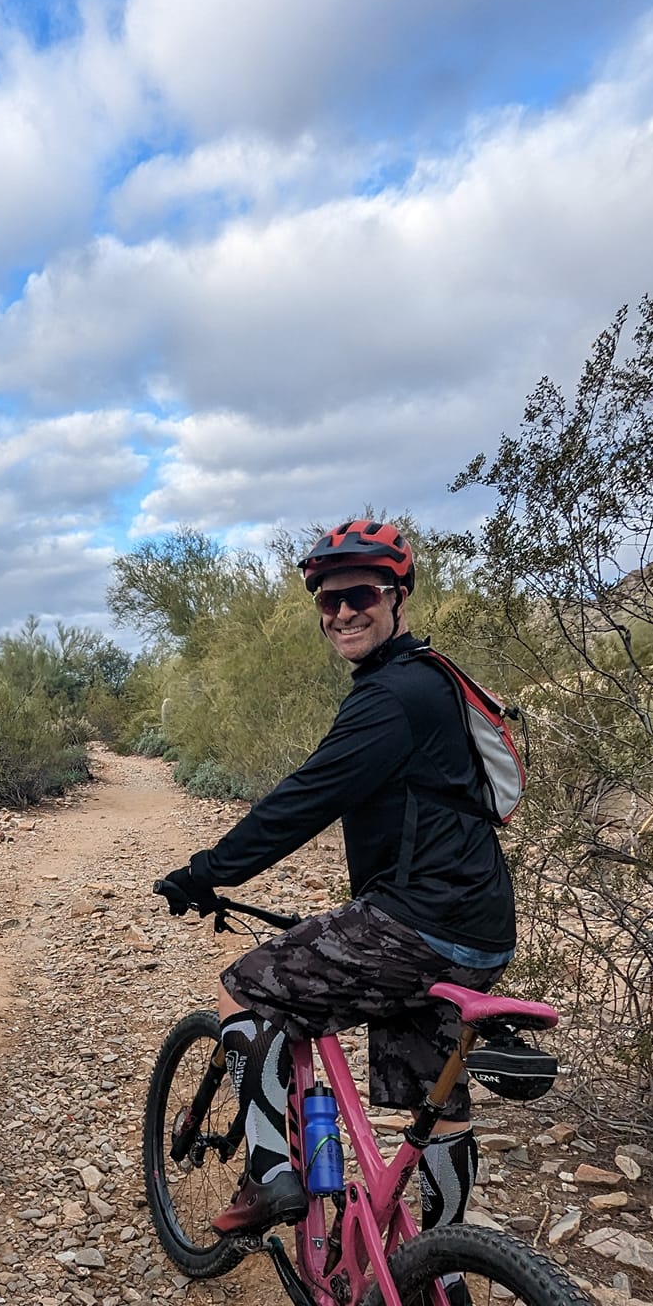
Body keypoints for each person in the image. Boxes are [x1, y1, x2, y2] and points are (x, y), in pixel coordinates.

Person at [156, 518, 515, 1245]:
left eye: (361, 595)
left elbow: (305, 799)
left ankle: (271, 1173)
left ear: (397, 597)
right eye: (328, 601)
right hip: (476, 932)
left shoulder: (390, 697)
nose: (343, 612)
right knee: (436, 1102)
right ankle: (438, 1265)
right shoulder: (431, 681)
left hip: (414, 925)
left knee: (245, 988)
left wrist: (205, 873)